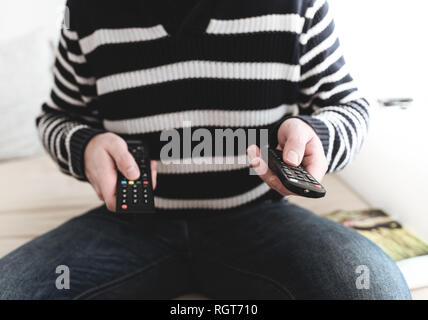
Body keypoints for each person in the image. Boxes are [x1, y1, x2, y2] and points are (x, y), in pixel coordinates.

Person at [0, 0, 410, 299]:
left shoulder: (298, 5)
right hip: (130, 224)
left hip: (259, 218)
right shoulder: (86, 13)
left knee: (374, 288)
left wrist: (316, 133)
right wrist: (85, 146)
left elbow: (348, 105)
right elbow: (57, 116)